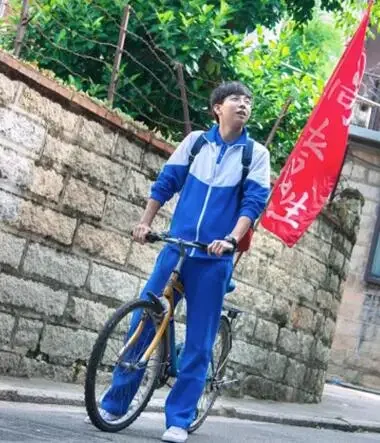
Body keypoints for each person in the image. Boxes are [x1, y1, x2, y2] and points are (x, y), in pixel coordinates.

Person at [99, 81, 270, 442]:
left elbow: (252, 204)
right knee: (142, 322)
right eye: (236, 99)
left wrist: (230, 240)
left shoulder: (254, 154)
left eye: (248, 101)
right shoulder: (195, 143)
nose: (244, 105)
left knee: (198, 342)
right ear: (217, 108)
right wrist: (146, 222)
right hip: (176, 250)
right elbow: (166, 183)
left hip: (213, 258)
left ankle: (178, 418)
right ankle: (115, 404)